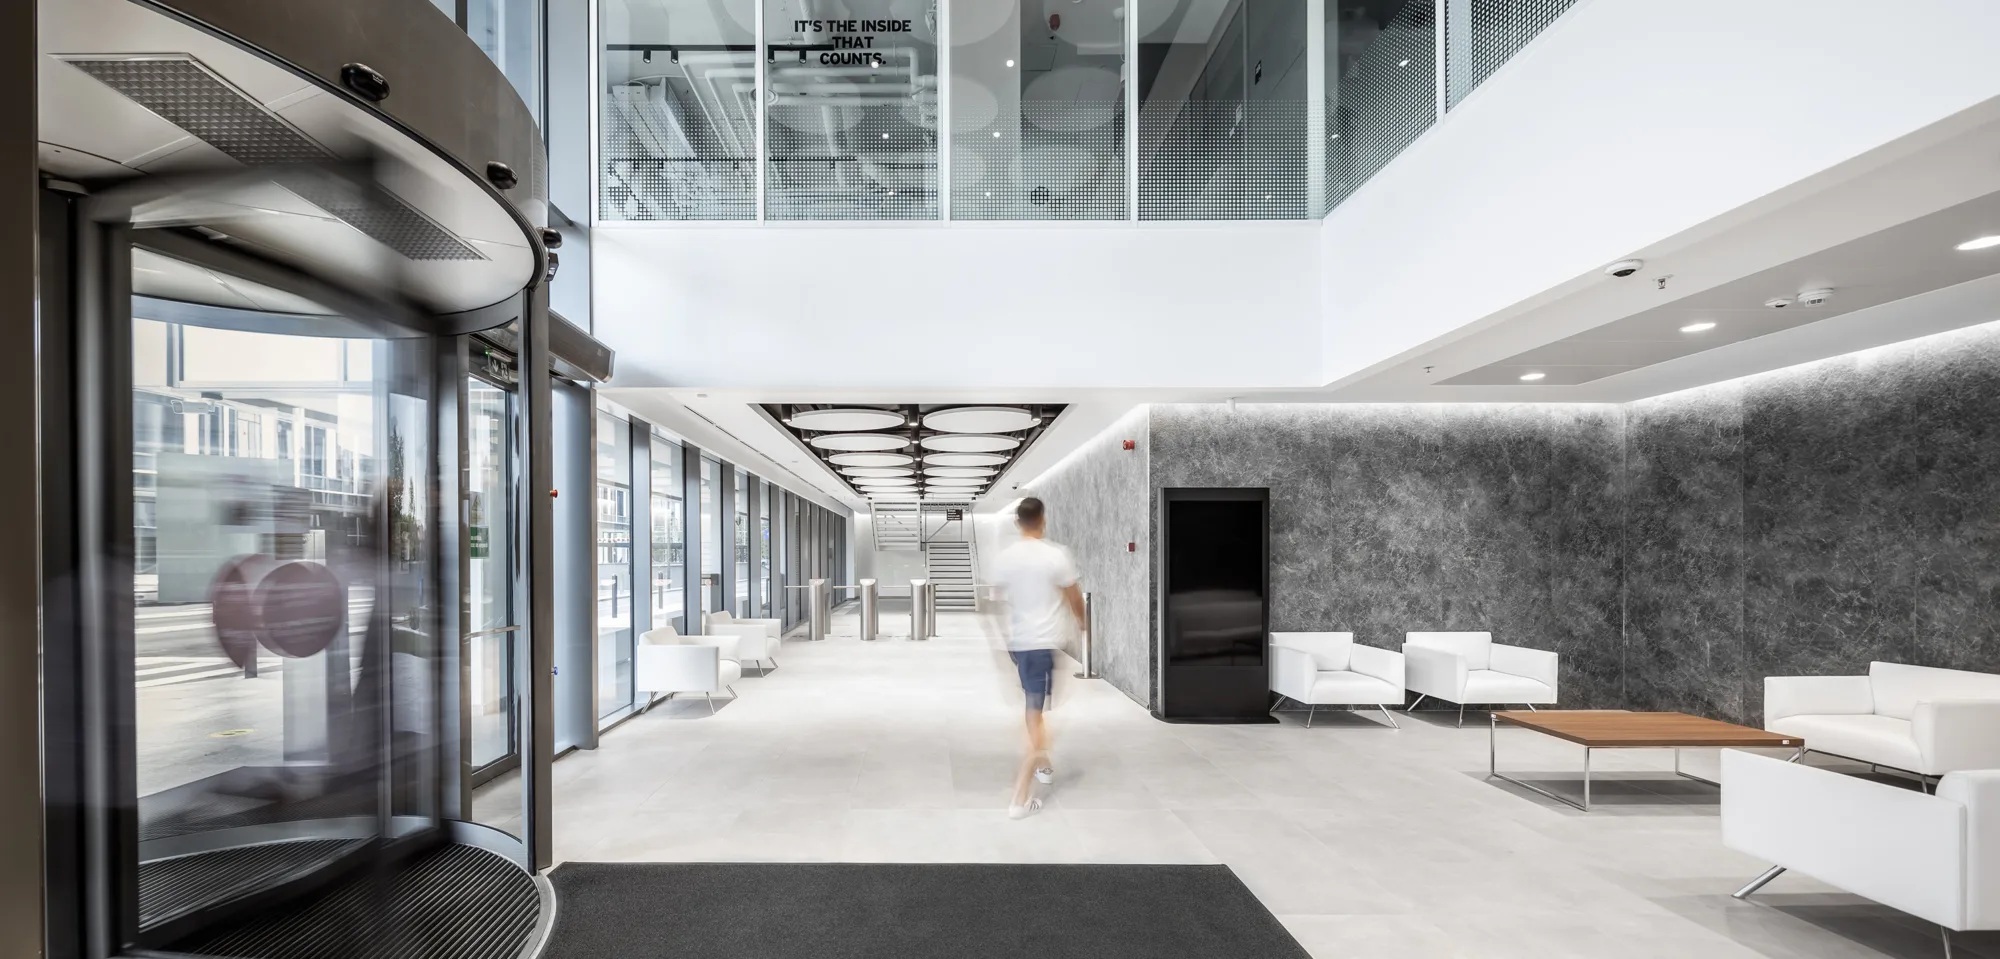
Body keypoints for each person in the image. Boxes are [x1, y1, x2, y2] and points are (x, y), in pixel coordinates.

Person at [989, 496, 1085, 819]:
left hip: (1020, 645)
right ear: (1043, 519)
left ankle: (1044, 765)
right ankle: (1020, 797)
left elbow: (994, 603)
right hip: (1041, 647)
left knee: (1037, 712)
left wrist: (1002, 647)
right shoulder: (1055, 556)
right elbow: (1074, 599)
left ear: (1018, 523)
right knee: (1036, 717)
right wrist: (1084, 626)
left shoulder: (1006, 558)